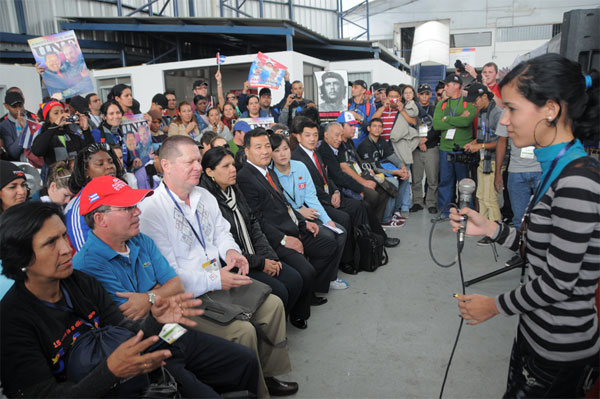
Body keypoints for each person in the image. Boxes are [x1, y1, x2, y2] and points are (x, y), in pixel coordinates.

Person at [450, 54, 599, 398]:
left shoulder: (577, 180)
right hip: (536, 335)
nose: (504, 120)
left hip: (557, 351)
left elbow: (559, 282)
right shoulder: (557, 167)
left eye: (513, 109)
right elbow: (541, 252)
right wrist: (490, 228)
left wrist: (494, 305)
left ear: (550, 109)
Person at [0, 201, 259, 398]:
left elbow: (123, 330)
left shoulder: (80, 283)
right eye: (50, 243)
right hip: (105, 384)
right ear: (20, 256)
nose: (66, 249)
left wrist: (156, 320)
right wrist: (110, 372)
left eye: (63, 237)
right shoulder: (12, 321)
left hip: (131, 364)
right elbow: (40, 394)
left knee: (243, 360)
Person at [137, 135, 299, 398]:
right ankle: (256, 392)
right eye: (189, 162)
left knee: (273, 305)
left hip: (219, 277)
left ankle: (268, 375)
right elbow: (170, 275)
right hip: (187, 296)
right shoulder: (151, 210)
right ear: (165, 165)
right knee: (243, 331)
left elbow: (222, 233)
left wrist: (231, 251)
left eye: (198, 161)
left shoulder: (203, 195)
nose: (198, 168)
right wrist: (214, 278)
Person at [199, 147, 308, 327]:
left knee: (295, 279)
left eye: (233, 164)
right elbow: (223, 246)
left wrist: (269, 256)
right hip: (234, 262)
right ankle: (270, 331)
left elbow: (253, 224)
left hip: (255, 254)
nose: (233, 169)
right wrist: (261, 263)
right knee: (279, 289)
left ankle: (280, 323)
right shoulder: (206, 200)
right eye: (225, 166)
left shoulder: (234, 190)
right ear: (210, 172)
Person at [237, 129, 339, 304]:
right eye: (258, 147)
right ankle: (300, 310)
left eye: (267, 146)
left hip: (291, 226)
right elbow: (257, 220)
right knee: (305, 272)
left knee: (329, 243)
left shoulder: (268, 172)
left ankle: (312, 289)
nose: (264, 151)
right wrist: (284, 240)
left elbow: (286, 204)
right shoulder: (245, 177)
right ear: (247, 151)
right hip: (275, 238)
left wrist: (302, 222)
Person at [270, 134, 351, 285]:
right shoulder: (270, 174)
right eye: (277, 150)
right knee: (327, 238)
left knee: (339, 232)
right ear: (271, 154)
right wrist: (299, 213)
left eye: (285, 149)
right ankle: (316, 282)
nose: (282, 154)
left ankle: (329, 278)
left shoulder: (300, 166)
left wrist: (327, 220)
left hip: (307, 212)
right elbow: (278, 208)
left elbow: (311, 198)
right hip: (290, 220)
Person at [65, 142, 125, 251]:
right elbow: (87, 256)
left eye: (111, 162)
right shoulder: (77, 208)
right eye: (100, 164)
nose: (109, 167)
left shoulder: (123, 193)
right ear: (86, 171)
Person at [433, 73, 477, 217]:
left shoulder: (468, 103)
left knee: (464, 183)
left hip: (463, 149)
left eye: (448, 85)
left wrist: (447, 118)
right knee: (445, 181)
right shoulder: (442, 103)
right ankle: (444, 211)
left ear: (457, 85)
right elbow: (436, 124)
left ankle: (466, 212)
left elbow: (467, 121)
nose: (445, 88)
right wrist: (457, 119)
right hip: (445, 149)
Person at [463, 83, 501, 242]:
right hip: (483, 159)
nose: (473, 104)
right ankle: (485, 229)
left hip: (493, 161)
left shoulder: (497, 113)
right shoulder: (482, 113)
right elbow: (483, 137)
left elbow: (501, 143)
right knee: (480, 196)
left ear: (485, 96)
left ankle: (496, 231)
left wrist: (480, 146)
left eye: (475, 100)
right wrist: (473, 143)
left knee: (491, 198)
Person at [357, 118, 410, 227]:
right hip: (370, 174)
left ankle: (395, 211)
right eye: (374, 126)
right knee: (393, 182)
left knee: (405, 178)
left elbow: (391, 156)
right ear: (368, 128)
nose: (377, 128)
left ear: (382, 130)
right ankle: (386, 219)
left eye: (379, 126)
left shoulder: (381, 141)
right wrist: (394, 172)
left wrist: (402, 167)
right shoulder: (365, 145)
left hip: (382, 170)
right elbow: (373, 168)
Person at [32, 100, 94, 167]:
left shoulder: (72, 135)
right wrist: (55, 125)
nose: (61, 116)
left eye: (62, 112)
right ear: (48, 118)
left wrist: (86, 130)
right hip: (55, 175)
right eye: (56, 113)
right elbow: (37, 151)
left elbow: (90, 152)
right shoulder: (46, 136)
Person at [410, 83, 440, 214]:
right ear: (418, 95)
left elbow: (437, 128)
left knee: (432, 178)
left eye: (427, 94)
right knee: (416, 178)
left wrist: (425, 141)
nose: (424, 97)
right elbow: (409, 127)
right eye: (421, 94)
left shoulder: (435, 109)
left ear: (430, 95)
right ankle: (417, 201)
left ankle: (431, 202)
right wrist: (418, 141)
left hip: (431, 147)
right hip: (416, 148)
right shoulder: (412, 109)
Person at [0, 91, 28, 162]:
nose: (18, 109)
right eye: (14, 106)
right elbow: (13, 153)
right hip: (18, 166)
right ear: (6, 106)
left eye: (20, 105)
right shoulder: (4, 126)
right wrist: (24, 131)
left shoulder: (32, 120)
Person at [347, 80, 375, 144]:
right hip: (347, 144)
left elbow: (371, 128)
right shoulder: (346, 104)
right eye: (352, 87)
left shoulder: (370, 107)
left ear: (363, 91)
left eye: (356, 87)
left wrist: (359, 118)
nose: (352, 89)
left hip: (363, 145)